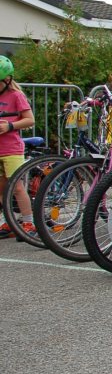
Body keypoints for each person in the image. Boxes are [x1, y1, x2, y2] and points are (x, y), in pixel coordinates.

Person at [0, 56, 36, 239]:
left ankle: (28, 222)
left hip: (11, 149)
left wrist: (10, 126)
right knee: (1, 188)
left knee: (17, 187)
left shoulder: (16, 96)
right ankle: (9, 220)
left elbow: (30, 119)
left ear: (7, 80)